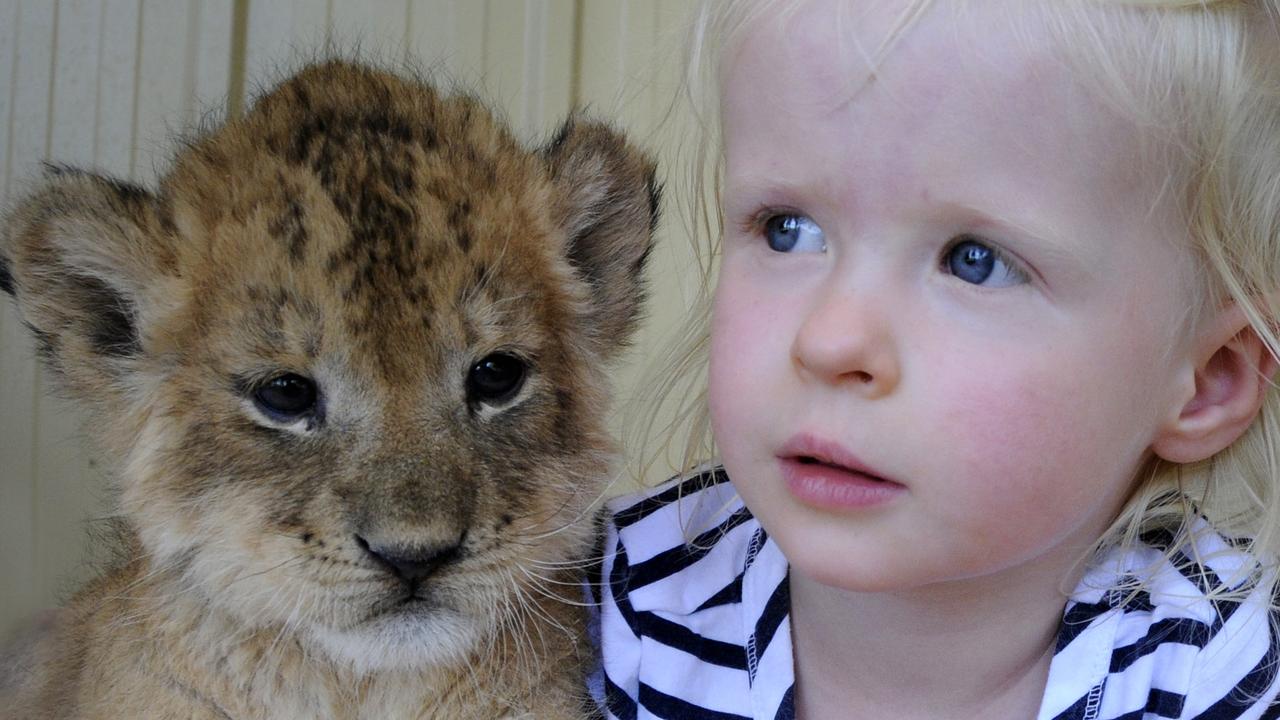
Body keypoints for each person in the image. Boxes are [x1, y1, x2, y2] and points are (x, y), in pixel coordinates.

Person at [590, 0, 1280, 718]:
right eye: (788, 230)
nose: (829, 342)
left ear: (1209, 379)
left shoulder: (1227, 679)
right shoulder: (611, 616)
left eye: (975, 263)